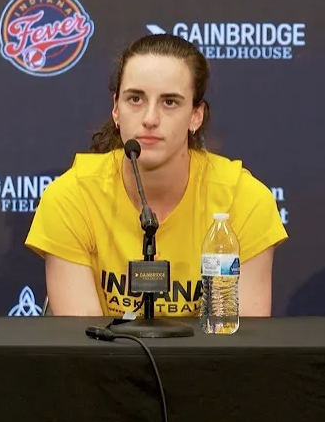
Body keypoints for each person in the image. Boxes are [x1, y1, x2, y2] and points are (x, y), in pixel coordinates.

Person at [25, 34, 289, 317]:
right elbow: (85, 349)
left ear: (196, 116)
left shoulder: (244, 200)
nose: (150, 118)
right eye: (135, 99)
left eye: (170, 102)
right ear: (116, 109)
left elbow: (243, 347)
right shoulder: (71, 197)